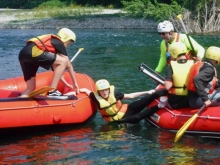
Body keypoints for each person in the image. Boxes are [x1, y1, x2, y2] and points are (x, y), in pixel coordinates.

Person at [119, 42, 195, 124]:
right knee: (160, 93)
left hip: (176, 103)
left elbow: (167, 87)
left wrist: (168, 81)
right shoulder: (194, 63)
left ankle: (129, 119)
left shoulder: (171, 66)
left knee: (158, 100)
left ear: (174, 53)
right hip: (191, 100)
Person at [18, 28, 79, 97]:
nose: (67, 46)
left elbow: (57, 70)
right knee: (63, 61)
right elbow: (68, 64)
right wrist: (75, 82)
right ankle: (52, 91)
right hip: (33, 52)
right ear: (65, 38)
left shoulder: (51, 43)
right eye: (68, 44)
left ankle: (21, 101)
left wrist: (66, 84)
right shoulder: (58, 42)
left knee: (30, 88)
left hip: (23, 54)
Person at [79, 79, 167, 123]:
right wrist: (76, 91)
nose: (105, 92)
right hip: (120, 120)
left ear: (109, 89)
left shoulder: (114, 94)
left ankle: (167, 91)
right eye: (102, 91)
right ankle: (159, 106)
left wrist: (147, 92)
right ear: (98, 91)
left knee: (145, 99)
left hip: (126, 110)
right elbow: (86, 90)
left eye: (106, 90)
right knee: (137, 117)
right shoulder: (95, 97)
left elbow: (131, 96)